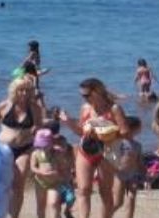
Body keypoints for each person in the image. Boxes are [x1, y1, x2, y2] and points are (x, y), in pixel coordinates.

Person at [59, 78, 128, 218]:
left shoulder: (114, 108)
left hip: (107, 151)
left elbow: (125, 131)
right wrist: (68, 123)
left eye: (87, 95)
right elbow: (80, 131)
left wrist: (107, 131)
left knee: (105, 191)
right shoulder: (85, 108)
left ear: (97, 91)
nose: (84, 98)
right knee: (83, 189)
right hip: (86, 149)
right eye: (82, 96)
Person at [0, 78, 43, 218]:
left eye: (27, 90)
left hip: (25, 149)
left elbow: (38, 127)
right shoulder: (4, 106)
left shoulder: (34, 108)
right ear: (14, 91)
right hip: (3, 150)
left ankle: (14, 216)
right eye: (21, 90)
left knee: (18, 185)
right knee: (1, 184)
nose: (24, 93)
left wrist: (39, 135)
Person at [113, 117, 143, 218]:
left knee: (131, 197)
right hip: (119, 174)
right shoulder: (119, 143)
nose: (140, 129)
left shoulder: (138, 145)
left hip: (133, 174)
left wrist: (145, 172)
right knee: (118, 202)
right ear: (131, 129)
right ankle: (107, 214)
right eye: (139, 127)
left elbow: (139, 161)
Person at [31, 128, 63, 218]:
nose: (43, 148)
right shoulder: (35, 154)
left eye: (45, 146)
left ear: (51, 144)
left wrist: (59, 173)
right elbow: (33, 167)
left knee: (53, 203)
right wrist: (40, 172)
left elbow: (63, 164)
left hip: (54, 183)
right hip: (40, 183)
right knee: (41, 205)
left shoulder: (57, 153)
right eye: (41, 146)